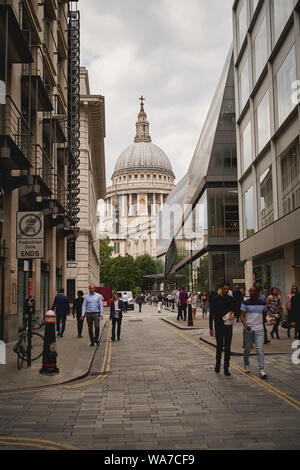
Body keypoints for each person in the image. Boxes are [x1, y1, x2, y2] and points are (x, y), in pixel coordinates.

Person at [240, 286, 268, 379]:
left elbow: (265, 315)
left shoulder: (263, 303)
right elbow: (242, 316)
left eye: (253, 291)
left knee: (260, 349)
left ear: (257, 292)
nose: (251, 292)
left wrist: (269, 320)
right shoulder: (246, 302)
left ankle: (262, 370)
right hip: (248, 329)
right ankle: (246, 364)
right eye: (250, 291)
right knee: (248, 348)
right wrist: (246, 325)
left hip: (259, 329)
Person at [209, 282, 234, 376]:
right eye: (225, 289)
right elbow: (211, 314)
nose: (226, 291)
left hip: (228, 325)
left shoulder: (231, 299)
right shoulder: (215, 299)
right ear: (221, 289)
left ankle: (226, 368)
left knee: (228, 347)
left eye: (228, 289)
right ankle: (217, 365)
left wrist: (232, 315)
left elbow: (233, 311)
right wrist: (211, 327)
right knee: (219, 346)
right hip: (219, 325)